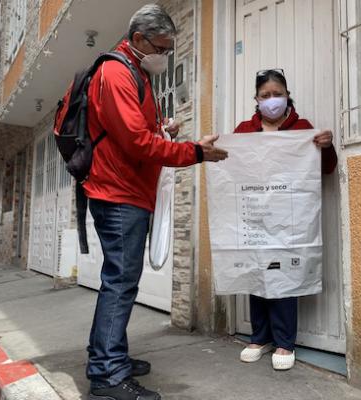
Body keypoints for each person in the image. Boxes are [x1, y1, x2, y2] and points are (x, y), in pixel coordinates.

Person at [83, 5, 228, 400]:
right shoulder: (116, 73)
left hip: (128, 191)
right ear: (140, 40)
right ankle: (107, 375)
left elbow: (134, 132)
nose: (164, 55)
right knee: (120, 284)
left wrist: (163, 129)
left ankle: (109, 356)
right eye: (161, 48)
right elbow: (136, 143)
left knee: (121, 282)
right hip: (119, 194)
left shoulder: (135, 72)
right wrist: (192, 152)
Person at [234, 69, 337, 370]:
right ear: (256, 99)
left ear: (287, 94)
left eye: (277, 93)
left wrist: (326, 147)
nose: (271, 100)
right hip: (255, 216)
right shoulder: (243, 131)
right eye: (265, 95)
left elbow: (326, 168)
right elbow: (229, 168)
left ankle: (284, 342)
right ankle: (259, 337)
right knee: (258, 275)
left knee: (284, 278)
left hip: (290, 220)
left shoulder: (303, 129)